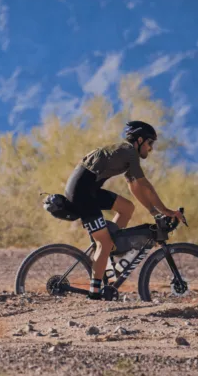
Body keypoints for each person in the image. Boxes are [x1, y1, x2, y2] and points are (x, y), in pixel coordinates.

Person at [65, 121, 184, 300]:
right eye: (150, 143)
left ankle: (108, 251)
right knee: (103, 243)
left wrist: (153, 211)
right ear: (140, 140)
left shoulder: (127, 155)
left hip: (89, 189)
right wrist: (166, 210)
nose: (151, 148)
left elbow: (134, 187)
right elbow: (145, 185)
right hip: (81, 193)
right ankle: (95, 292)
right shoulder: (129, 152)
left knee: (127, 208)